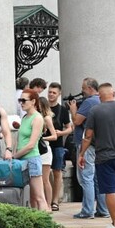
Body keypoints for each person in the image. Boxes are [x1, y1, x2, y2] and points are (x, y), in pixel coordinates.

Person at [79, 83, 115, 228]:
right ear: (114, 93)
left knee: (110, 190)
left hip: (104, 156)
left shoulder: (95, 111)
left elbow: (88, 136)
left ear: (99, 96)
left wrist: (81, 154)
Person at [70, 77, 109, 219]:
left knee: (86, 177)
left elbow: (77, 121)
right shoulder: (102, 102)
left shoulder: (89, 102)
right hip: (100, 144)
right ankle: (103, 209)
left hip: (86, 144)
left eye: (83, 89)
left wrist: (73, 110)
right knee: (98, 178)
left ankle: (87, 210)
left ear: (90, 88)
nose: (82, 91)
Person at [15, 89, 51, 212]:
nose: (21, 103)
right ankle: (36, 223)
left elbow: (31, 144)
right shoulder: (25, 117)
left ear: (33, 101)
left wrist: (15, 156)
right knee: (32, 197)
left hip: (32, 158)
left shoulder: (37, 118)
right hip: (22, 159)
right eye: (20, 100)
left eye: (24, 100)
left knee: (39, 196)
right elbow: (19, 139)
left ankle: (45, 223)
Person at [47, 83, 73, 211]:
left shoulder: (62, 110)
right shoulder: (42, 107)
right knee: (45, 173)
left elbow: (69, 128)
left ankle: (55, 200)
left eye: (54, 93)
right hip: (43, 145)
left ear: (59, 94)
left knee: (57, 172)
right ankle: (47, 198)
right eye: (50, 92)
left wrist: (61, 133)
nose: (51, 94)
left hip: (57, 145)